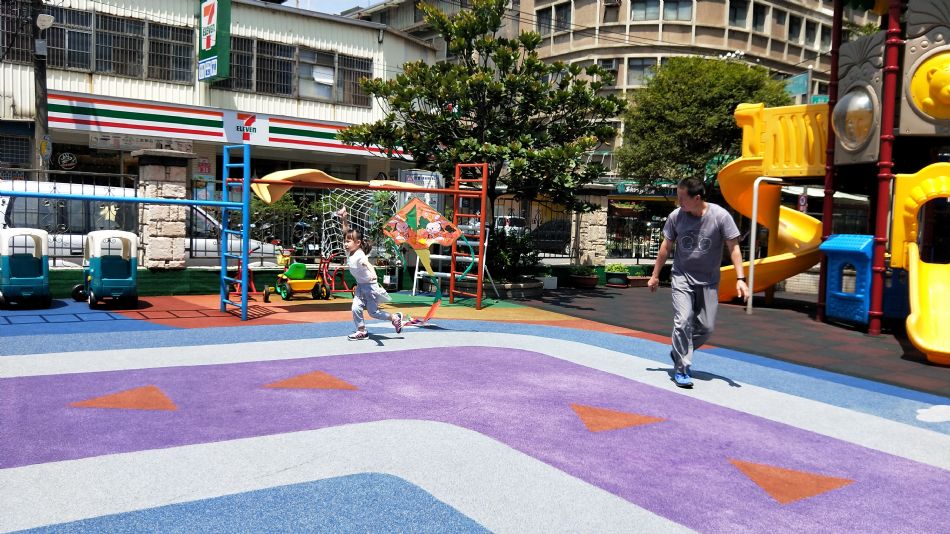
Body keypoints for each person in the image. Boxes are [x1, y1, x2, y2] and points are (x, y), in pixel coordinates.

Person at [647, 177, 749, 388]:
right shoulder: (676, 216)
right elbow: (666, 247)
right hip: (682, 276)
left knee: (706, 328)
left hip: (709, 281)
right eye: (678, 197)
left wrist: (741, 278)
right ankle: (682, 368)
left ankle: (679, 350)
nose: (679, 202)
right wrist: (655, 275)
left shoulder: (720, 216)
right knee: (683, 321)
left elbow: (733, 247)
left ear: (697, 198)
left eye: (682, 198)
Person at [336, 207, 403, 340]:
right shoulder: (349, 251)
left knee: (373, 313)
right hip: (361, 286)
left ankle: (395, 317)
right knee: (355, 308)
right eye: (345, 241)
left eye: (348, 241)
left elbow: (369, 265)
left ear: (358, 243)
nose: (345, 243)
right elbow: (345, 231)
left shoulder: (360, 255)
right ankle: (361, 331)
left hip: (371, 287)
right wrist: (344, 219)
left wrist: (373, 275)